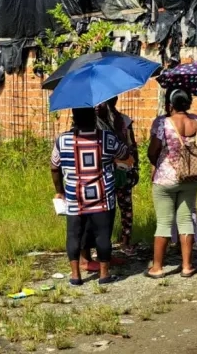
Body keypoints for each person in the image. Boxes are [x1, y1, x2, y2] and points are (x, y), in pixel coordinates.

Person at [51, 107, 129, 286]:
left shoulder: (62, 140)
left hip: (74, 197)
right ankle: (104, 274)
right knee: (103, 236)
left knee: (73, 235)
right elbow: (125, 154)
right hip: (103, 197)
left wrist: (60, 190)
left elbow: (54, 167)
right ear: (94, 118)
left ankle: (76, 275)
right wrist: (119, 133)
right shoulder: (106, 138)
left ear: (74, 118)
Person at [146, 89, 197, 278]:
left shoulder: (163, 123)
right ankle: (187, 266)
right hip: (190, 178)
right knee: (186, 220)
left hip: (166, 179)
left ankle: (157, 267)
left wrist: (158, 163)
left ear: (170, 104)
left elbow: (152, 151)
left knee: (163, 222)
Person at [97, 97, 139, 255]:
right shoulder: (121, 121)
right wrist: (135, 168)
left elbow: (132, 145)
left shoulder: (118, 121)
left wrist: (135, 168)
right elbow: (132, 146)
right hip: (114, 171)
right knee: (119, 208)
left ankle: (114, 241)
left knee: (115, 207)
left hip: (111, 171)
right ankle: (117, 242)